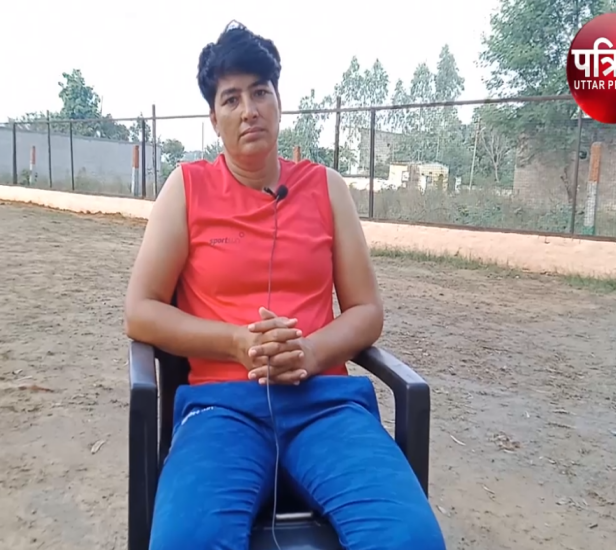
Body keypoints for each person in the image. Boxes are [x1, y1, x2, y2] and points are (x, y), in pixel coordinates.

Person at [124, 21, 446, 550]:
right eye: (231, 98)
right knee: (187, 539)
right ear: (214, 118)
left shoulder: (327, 188)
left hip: (325, 407)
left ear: (278, 102)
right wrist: (236, 342)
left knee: (409, 538)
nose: (248, 109)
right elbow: (140, 310)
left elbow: (367, 310)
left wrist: (311, 353)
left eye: (260, 92)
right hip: (221, 410)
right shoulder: (186, 189)